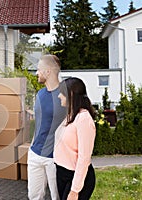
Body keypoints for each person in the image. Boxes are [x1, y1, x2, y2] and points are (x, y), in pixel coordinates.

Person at [27, 54, 66, 200]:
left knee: (57, 197)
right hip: (35, 154)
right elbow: (39, 124)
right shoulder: (40, 94)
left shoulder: (65, 94)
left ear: (48, 71)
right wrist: (31, 147)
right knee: (34, 196)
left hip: (55, 158)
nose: (37, 73)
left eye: (39, 69)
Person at [54, 77, 96, 200]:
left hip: (75, 177)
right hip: (62, 173)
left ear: (71, 95)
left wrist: (75, 190)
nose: (59, 96)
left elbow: (84, 158)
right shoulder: (69, 115)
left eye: (62, 93)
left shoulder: (84, 119)